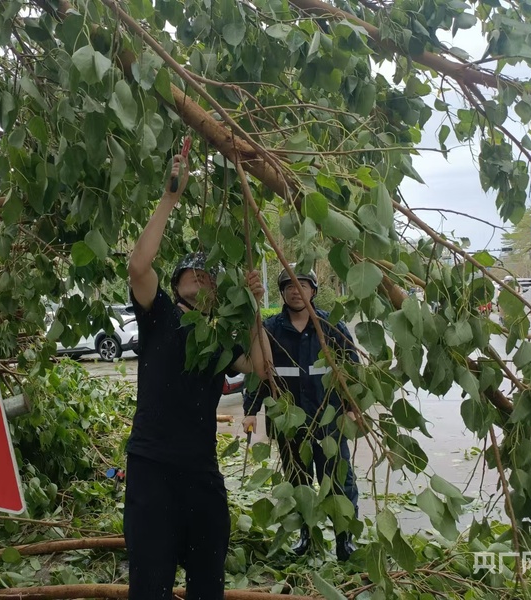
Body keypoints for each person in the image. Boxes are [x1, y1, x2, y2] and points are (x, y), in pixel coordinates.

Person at [124, 153, 270, 599]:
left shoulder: (220, 339)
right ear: (177, 280)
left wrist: (251, 308)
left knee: (208, 584)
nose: (202, 276)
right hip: (151, 470)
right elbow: (137, 266)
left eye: (209, 275)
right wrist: (170, 198)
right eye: (193, 270)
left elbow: (261, 369)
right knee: (150, 585)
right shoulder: (160, 315)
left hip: (202, 474)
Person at [242, 268, 360, 561]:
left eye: (302, 285)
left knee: (338, 481)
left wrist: (352, 407)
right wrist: (251, 411)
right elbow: (260, 376)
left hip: (328, 424)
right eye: (289, 286)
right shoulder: (269, 329)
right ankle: (306, 536)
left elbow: (352, 371)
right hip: (289, 426)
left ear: (313, 291)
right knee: (298, 482)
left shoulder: (331, 328)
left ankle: (345, 540)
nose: (296, 291)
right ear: (282, 293)